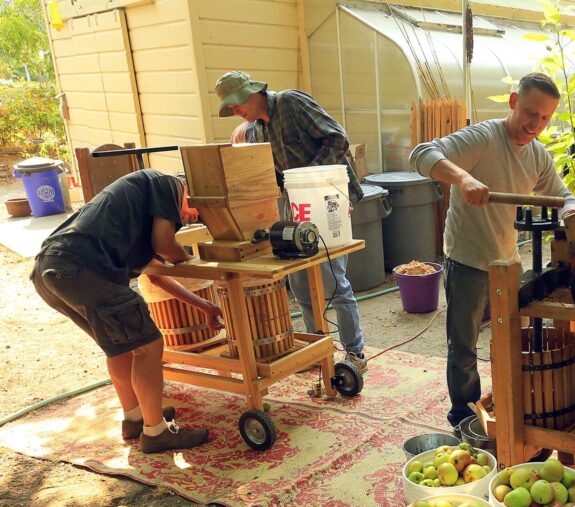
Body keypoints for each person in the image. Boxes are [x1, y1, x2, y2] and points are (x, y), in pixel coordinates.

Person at [409, 73, 575, 428]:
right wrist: (464, 178)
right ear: (514, 102)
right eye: (531, 112)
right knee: (464, 344)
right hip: (468, 258)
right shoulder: (484, 138)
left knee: (509, 337)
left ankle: (510, 402)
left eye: (545, 118)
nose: (536, 124)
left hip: (507, 261)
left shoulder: (537, 156)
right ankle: (464, 417)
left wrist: (571, 212)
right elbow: (422, 153)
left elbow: (563, 195)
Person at [31, 170, 221, 453]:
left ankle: (135, 419)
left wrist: (203, 304)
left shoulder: (141, 214)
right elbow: (165, 246)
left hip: (52, 271)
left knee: (121, 348)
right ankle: (156, 433)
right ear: (191, 191)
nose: (196, 218)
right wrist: (195, 262)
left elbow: (155, 275)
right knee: (149, 345)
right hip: (82, 269)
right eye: (199, 211)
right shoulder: (166, 184)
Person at [215, 70, 367, 374]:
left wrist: (308, 178)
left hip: (328, 197)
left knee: (334, 280)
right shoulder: (256, 131)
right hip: (296, 204)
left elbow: (338, 139)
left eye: (236, 103)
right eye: (230, 108)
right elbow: (274, 177)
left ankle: (355, 353)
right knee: (300, 281)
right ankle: (316, 347)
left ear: (253, 92)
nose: (235, 111)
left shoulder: (291, 102)